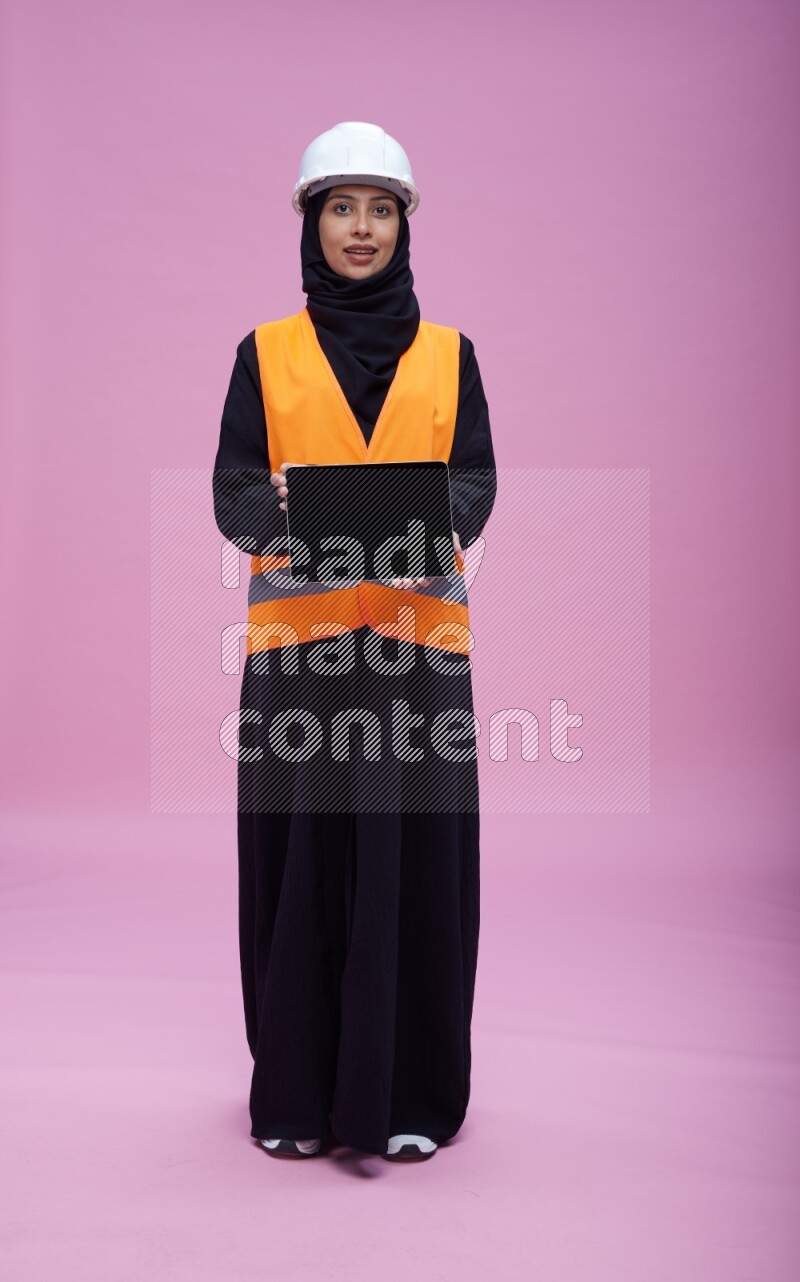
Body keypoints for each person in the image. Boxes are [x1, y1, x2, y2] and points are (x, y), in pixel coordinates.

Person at [213, 121, 497, 1162]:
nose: (362, 228)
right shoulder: (265, 354)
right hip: (303, 658)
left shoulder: (452, 356)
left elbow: (474, 487)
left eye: (380, 209)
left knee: (416, 864)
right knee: (301, 863)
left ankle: (412, 1092)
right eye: (342, 208)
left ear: (404, 225)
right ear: (311, 222)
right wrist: (307, 511)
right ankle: (296, 1095)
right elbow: (236, 495)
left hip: (418, 657)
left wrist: (372, 517)